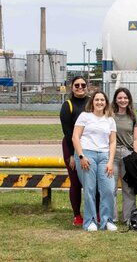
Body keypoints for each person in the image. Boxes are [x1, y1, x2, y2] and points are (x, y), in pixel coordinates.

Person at [72, 91, 117, 231]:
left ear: (106, 102)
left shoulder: (110, 119)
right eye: (97, 100)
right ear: (92, 102)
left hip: (104, 155)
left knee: (108, 189)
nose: (99, 102)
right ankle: (90, 221)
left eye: (102, 100)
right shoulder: (85, 116)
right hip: (87, 154)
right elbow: (75, 137)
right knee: (90, 189)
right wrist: (81, 157)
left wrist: (110, 161)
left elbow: (113, 142)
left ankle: (107, 220)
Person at [59, 76, 89, 226]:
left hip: (90, 145)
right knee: (76, 182)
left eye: (83, 85)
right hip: (71, 146)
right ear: (72, 87)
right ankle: (77, 215)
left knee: (92, 181)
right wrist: (72, 155)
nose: (80, 87)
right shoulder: (68, 105)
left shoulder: (92, 103)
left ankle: (94, 212)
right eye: (77, 85)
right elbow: (67, 131)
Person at [111, 87, 137, 224]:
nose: (123, 100)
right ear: (115, 100)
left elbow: (135, 138)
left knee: (128, 189)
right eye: (120, 98)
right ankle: (112, 218)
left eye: (125, 98)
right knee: (111, 188)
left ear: (129, 100)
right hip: (112, 153)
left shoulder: (133, 117)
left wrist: (135, 154)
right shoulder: (109, 115)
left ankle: (128, 218)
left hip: (128, 154)